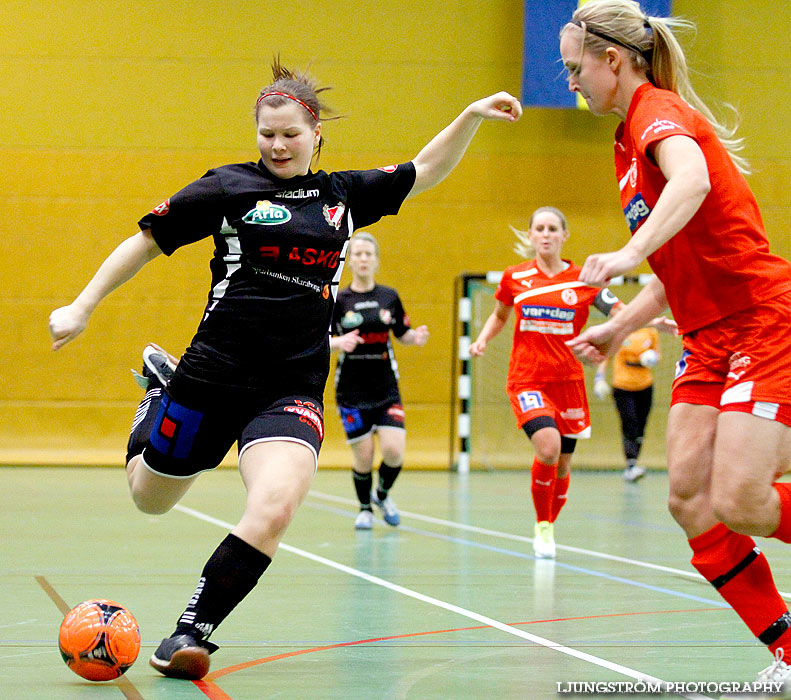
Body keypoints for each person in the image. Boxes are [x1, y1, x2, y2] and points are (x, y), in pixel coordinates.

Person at [47, 59, 522, 680]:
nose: (277, 145)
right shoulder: (226, 188)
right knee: (149, 499)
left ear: (315, 132)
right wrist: (82, 306)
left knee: (275, 505)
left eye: (290, 134)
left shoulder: (343, 197)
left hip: (292, 387)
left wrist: (469, 116)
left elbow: (424, 170)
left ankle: (190, 632)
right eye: (267, 133)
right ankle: (158, 395)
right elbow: (146, 240)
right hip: (212, 374)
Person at [559, 0, 791, 690]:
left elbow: (689, 179)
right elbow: (677, 266)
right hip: (707, 337)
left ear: (613, 60)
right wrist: (616, 325)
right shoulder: (622, 148)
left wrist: (626, 249)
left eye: (575, 68)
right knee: (689, 500)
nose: (569, 81)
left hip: (758, 320)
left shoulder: (653, 112)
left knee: (743, 499)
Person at [469, 207, 621, 559]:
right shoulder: (515, 278)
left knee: (563, 465)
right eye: (540, 228)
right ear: (531, 235)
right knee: (548, 448)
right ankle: (542, 526)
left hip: (568, 382)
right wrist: (483, 340)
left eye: (553, 228)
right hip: (526, 380)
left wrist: (656, 322)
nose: (546, 234)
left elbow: (621, 315)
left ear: (564, 235)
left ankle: (550, 522)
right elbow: (500, 314)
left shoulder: (584, 279)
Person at [329, 231, 428, 530]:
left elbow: (402, 334)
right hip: (351, 390)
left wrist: (416, 338)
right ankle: (364, 510)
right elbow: (320, 339)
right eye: (357, 253)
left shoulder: (389, 297)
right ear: (349, 261)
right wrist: (338, 343)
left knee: (395, 451)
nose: (362, 258)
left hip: (385, 387)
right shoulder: (338, 299)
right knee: (364, 456)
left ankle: (381, 495)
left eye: (368, 254)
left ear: (376, 260)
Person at [592, 306, 665, 482]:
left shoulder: (650, 331)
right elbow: (606, 356)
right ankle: (630, 464)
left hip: (645, 385)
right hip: (623, 387)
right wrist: (599, 378)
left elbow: (658, 353)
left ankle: (634, 461)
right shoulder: (620, 332)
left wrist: (652, 357)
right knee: (629, 423)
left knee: (641, 426)